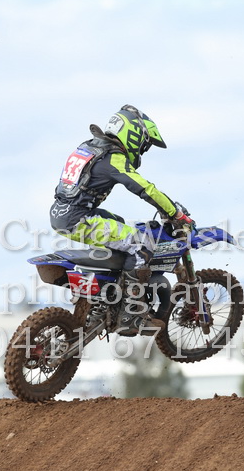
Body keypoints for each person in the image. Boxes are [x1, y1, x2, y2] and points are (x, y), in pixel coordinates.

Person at [50, 104, 193, 330]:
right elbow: (144, 188)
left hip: (62, 212)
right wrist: (175, 213)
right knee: (143, 243)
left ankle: (108, 292)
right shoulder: (112, 158)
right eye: (144, 146)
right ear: (133, 135)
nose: (142, 151)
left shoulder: (88, 148)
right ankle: (130, 313)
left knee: (119, 225)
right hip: (78, 219)